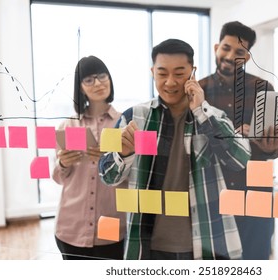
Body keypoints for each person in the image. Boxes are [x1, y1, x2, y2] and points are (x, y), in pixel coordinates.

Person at [99, 39, 251, 260]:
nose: (170, 82)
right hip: (147, 246)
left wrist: (201, 111)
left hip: (206, 243)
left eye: (179, 74)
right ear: (153, 72)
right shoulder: (133, 117)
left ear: (193, 73)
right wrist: (122, 153)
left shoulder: (213, 116)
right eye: (162, 74)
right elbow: (107, 176)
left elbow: (240, 159)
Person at [199, 21, 278, 260]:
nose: (230, 56)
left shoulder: (263, 88)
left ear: (247, 56)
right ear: (217, 47)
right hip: (214, 192)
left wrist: (271, 147)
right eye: (226, 48)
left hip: (255, 192)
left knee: (255, 259)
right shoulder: (198, 91)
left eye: (239, 52)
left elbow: (276, 146)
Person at [52, 55, 126, 260]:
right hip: (70, 227)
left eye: (102, 76)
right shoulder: (68, 126)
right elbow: (58, 178)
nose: (98, 83)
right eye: (89, 80)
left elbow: (136, 176)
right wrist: (63, 163)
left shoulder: (125, 124)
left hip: (111, 222)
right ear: (80, 88)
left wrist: (114, 161)